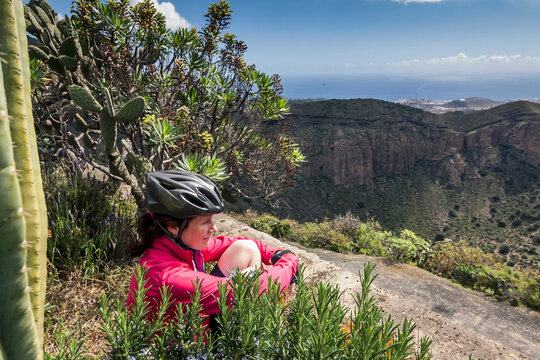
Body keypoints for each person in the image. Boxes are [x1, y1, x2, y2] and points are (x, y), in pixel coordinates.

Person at [126, 170, 299, 332]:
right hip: (186, 350)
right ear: (173, 226)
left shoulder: (178, 245)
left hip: (192, 327)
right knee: (247, 286)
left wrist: (277, 255)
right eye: (205, 221)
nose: (214, 228)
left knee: (246, 249)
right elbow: (250, 290)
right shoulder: (168, 276)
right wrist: (290, 263)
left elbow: (239, 242)